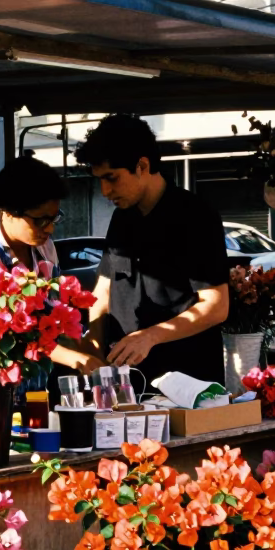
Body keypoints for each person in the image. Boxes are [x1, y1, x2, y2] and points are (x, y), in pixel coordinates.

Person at [74, 114, 230, 384]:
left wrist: (151, 335)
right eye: (99, 179)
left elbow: (216, 306)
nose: (104, 190)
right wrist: (95, 350)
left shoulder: (195, 216)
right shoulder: (121, 218)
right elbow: (102, 291)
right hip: (125, 380)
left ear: (142, 166)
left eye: (111, 178)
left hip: (186, 379)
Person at [0, 156, 104, 375]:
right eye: (41, 220)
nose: (50, 229)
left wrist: (89, 351)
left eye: (54, 218)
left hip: (41, 377)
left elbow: (57, 313)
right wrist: (75, 358)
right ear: (8, 211)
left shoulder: (45, 248)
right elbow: (5, 336)